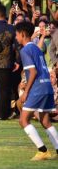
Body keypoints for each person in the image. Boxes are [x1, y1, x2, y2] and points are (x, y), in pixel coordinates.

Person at [15, 21, 58, 161]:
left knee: (23, 120)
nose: (16, 37)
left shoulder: (25, 50)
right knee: (45, 120)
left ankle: (43, 150)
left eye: (17, 34)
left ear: (22, 34)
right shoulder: (37, 49)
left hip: (37, 88)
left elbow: (32, 72)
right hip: (47, 87)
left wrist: (26, 92)